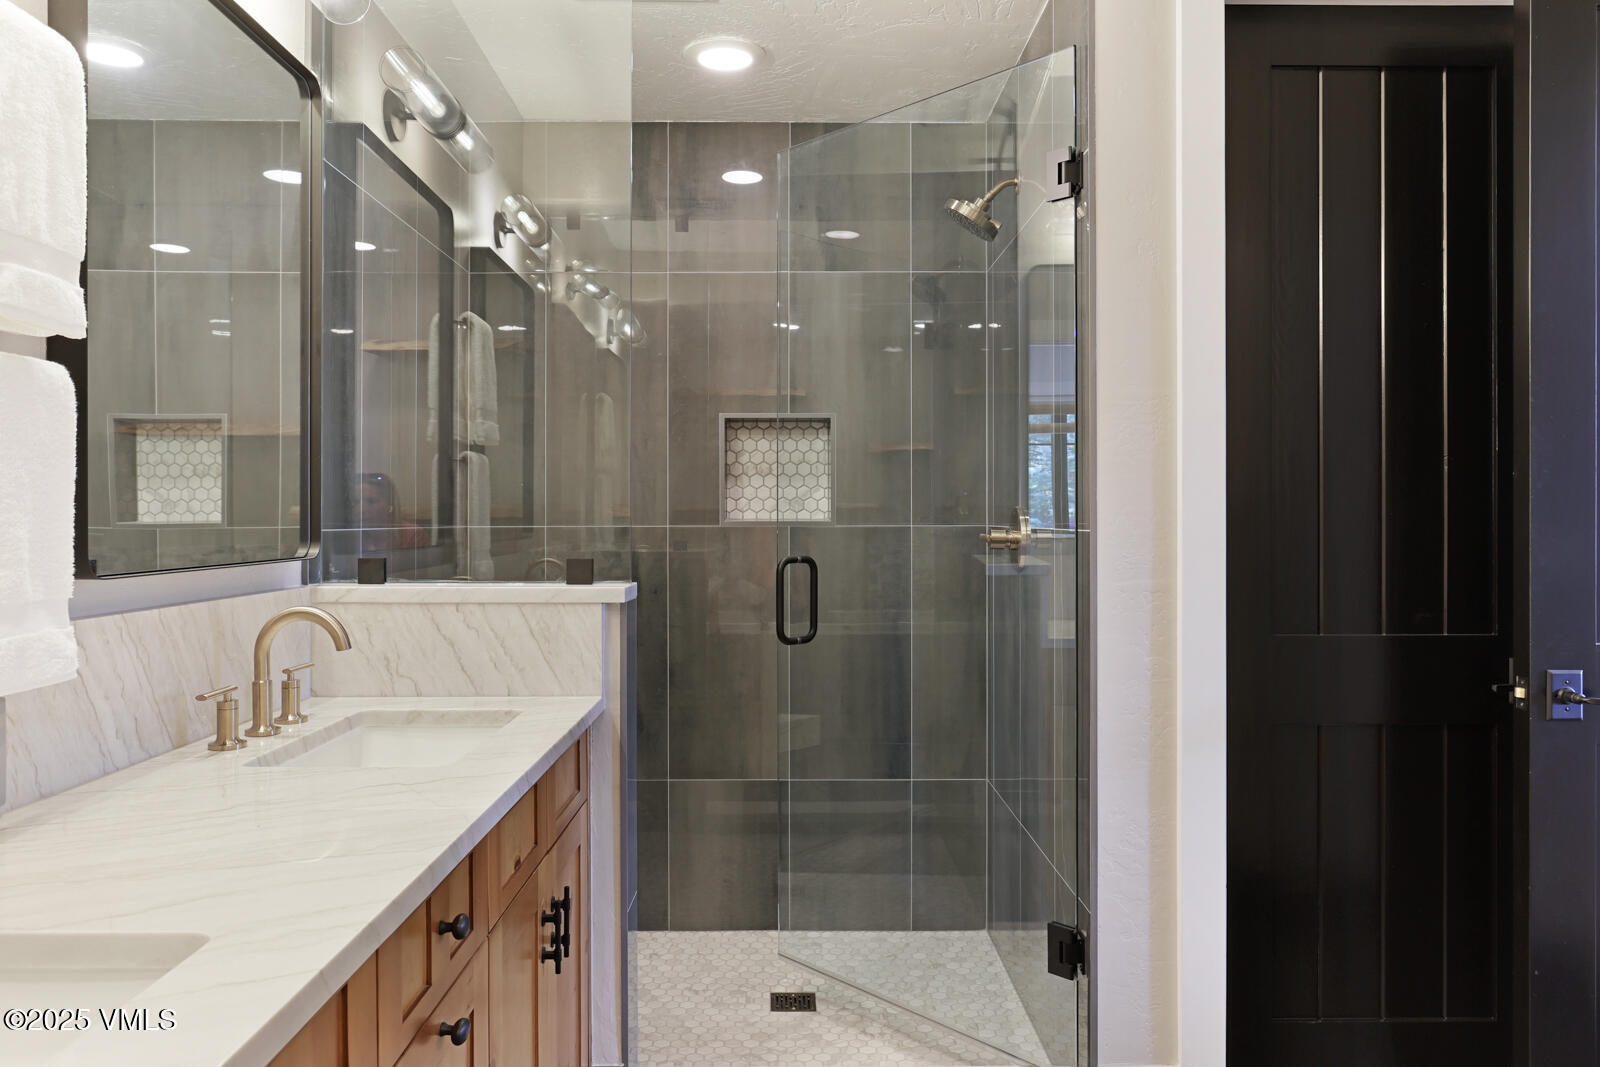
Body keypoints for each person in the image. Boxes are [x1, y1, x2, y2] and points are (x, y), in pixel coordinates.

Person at [358, 472, 428, 549]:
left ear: (390, 505)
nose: (361, 509)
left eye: (371, 501)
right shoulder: (349, 534)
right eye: (355, 502)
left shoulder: (412, 534)